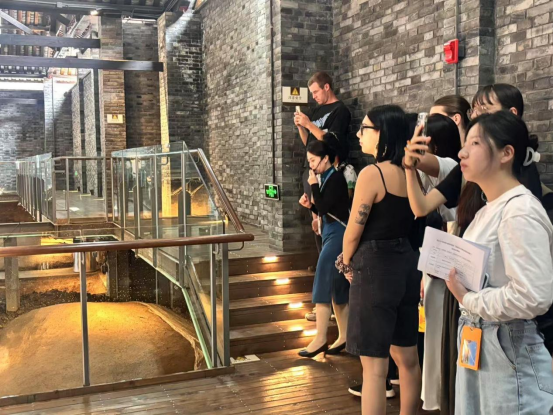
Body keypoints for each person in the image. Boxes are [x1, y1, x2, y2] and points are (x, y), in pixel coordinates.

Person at [445, 111, 553, 415]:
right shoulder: (487, 209)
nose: (462, 152)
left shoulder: (519, 211)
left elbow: (533, 296)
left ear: (506, 153)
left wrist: (469, 298)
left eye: (475, 143)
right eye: (465, 143)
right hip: (478, 340)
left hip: (506, 346)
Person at [338, 105, 421, 415]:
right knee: (408, 359)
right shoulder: (411, 172)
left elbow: (353, 231)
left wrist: (345, 263)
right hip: (407, 265)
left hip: (375, 267)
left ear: (382, 133)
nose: (359, 134)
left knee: (374, 368)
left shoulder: (372, 174)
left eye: (365, 128)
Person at [416, 114, 462, 412]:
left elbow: (418, 162)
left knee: (443, 332)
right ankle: (437, 396)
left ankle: (443, 397)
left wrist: (408, 151)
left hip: (452, 256)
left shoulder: (450, 166)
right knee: (434, 329)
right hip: (436, 254)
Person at [298, 141, 350, 358]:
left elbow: (325, 207)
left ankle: (320, 338)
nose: (311, 165)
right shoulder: (327, 177)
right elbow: (324, 207)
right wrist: (310, 206)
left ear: (325, 158)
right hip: (331, 232)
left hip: (337, 234)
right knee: (337, 286)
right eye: (309, 161)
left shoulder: (336, 178)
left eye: (313, 160)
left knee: (322, 281)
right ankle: (345, 336)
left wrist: (313, 186)